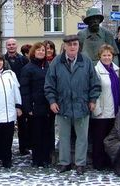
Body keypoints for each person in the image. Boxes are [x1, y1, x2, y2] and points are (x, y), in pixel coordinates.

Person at [44, 35, 102, 175]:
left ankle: (80, 164)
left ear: (78, 46)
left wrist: (93, 100)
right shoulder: (57, 62)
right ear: (64, 46)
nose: (72, 47)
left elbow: (95, 83)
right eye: (69, 44)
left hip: (82, 106)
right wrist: (52, 101)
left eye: (75, 44)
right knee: (63, 137)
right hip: (62, 106)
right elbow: (49, 85)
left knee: (82, 137)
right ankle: (64, 163)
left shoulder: (86, 61)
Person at [20, 42, 54, 168]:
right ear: (33, 52)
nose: (41, 52)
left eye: (43, 50)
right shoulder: (28, 68)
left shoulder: (48, 67)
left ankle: (46, 158)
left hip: (47, 106)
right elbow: (24, 89)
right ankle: (37, 159)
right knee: (36, 134)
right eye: (38, 50)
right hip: (34, 107)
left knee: (47, 133)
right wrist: (27, 107)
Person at [90, 44, 120, 170]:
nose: (107, 57)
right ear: (100, 56)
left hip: (113, 110)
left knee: (110, 139)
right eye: (104, 55)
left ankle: (109, 162)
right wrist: (97, 110)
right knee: (99, 140)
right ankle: (98, 163)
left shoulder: (116, 70)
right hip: (101, 112)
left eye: (109, 55)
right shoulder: (96, 70)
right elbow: (94, 90)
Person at [4, 38, 30, 155]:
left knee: (23, 124)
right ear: (6, 47)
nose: (11, 46)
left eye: (13, 44)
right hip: (6, 95)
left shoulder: (24, 60)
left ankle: (23, 147)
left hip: (21, 94)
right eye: (9, 45)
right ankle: (6, 148)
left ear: (17, 46)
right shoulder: (2, 59)